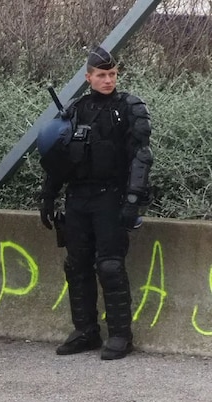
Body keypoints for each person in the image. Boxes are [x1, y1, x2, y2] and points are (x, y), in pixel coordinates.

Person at [39, 46, 152, 361]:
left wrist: (132, 200)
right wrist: (48, 194)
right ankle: (85, 331)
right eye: (101, 75)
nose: (108, 80)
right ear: (88, 77)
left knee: (110, 266)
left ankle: (119, 335)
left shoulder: (129, 107)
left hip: (109, 196)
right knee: (76, 266)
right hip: (77, 197)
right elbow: (58, 158)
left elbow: (141, 156)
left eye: (112, 74)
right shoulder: (76, 109)